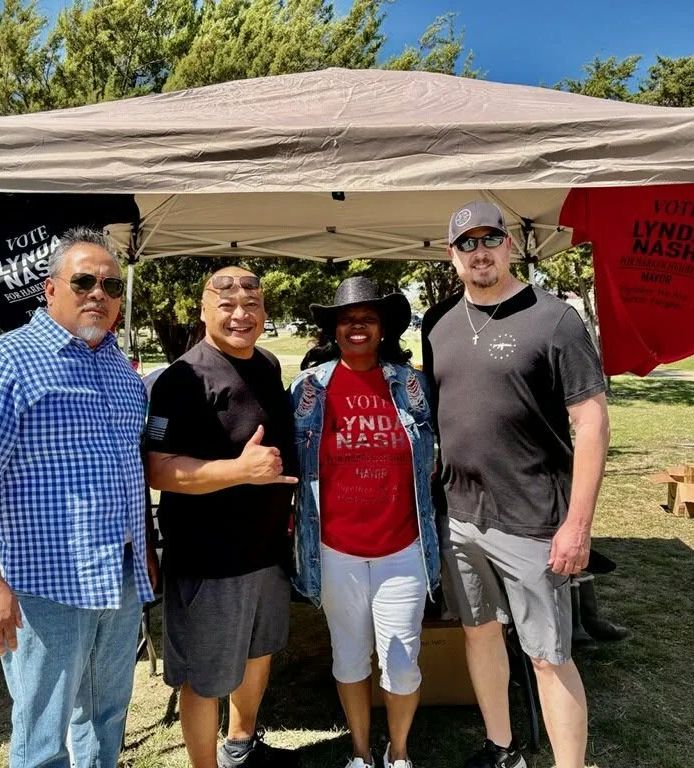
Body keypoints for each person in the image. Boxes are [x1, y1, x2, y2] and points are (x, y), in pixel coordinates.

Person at [0, 227, 158, 768]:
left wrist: (142, 551)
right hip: (43, 585)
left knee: (106, 717)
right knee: (42, 736)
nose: (97, 293)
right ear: (50, 289)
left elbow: (126, 469)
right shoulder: (6, 363)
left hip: (118, 576)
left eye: (110, 284)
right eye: (83, 280)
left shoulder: (120, 369)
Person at [422, 201, 610, 768]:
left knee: (548, 656)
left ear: (509, 245)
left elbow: (592, 421)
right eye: (466, 243)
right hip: (459, 516)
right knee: (478, 634)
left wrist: (578, 525)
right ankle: (501, 747)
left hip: (532, 517)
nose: (479, 252)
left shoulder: (554, 319)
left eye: (490, 240)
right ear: (452, 255)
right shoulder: (438, 323)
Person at [145, 266, 297, 768]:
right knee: (205, 677)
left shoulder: (269, 365)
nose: (239, 315)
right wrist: (239, 471)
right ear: (203, 310)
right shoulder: (181, 378)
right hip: (210, 560)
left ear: (264, 312)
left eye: (251, 306)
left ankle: (240, 744)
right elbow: (159, 469)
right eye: (226, 305)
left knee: (259, 653)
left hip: (267, 549)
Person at [291, 277, 440, 768]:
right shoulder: (309, 389)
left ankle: (398, 754)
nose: (357, 325)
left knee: (402, 663)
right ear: (334, 329)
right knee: (348, 657)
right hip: (336, 551)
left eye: (368, 317)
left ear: (382, 329)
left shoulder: (412, 384)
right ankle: (360, 753)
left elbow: (436, 451)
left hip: (402, 549)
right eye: (347, 318)